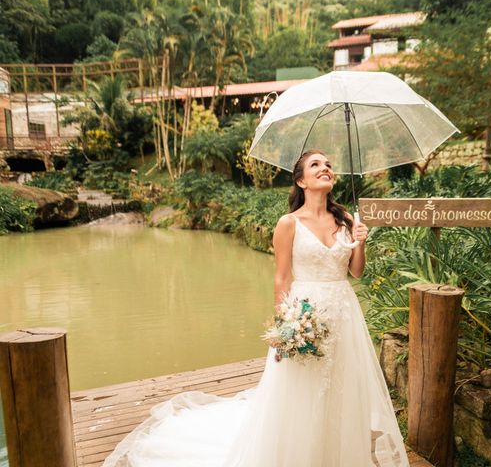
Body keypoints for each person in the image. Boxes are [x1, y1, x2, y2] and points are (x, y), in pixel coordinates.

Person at [103, 150, 409, 467]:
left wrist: (361, 241)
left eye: (329, 165)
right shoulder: (288, 223)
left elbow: (356, 272)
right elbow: (281, 279)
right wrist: (284, 330)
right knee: (301, 390)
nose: (325, 168)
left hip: (344, 312)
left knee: (340, 387)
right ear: (301, 180)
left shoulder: (346, 220)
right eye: (316, 165)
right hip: (305, 313)